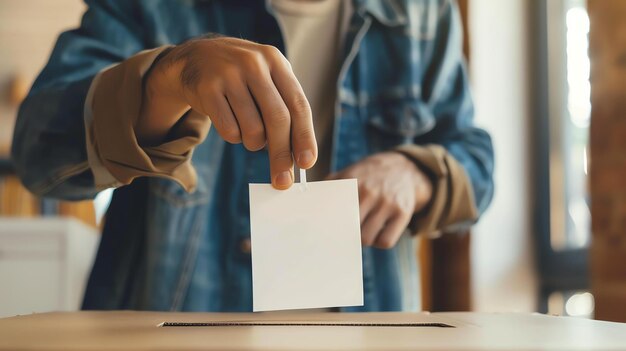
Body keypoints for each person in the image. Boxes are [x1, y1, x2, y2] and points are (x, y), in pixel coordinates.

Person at [12, 0, 494, 312]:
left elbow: (475, 159)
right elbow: (39, 153)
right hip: (172, 331)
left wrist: (416, 174)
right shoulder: (151, 7)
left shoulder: (424, 13)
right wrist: (166, 79)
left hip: (365, 331)